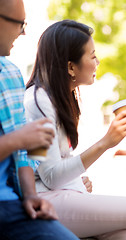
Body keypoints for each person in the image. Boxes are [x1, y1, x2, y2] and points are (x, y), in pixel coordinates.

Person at [24, 20, 126, 240]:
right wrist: (107, 142)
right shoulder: (37, 101)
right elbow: (51, 177)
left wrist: (77, 181)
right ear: (70, 66)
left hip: (65, 195)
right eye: (92, 56)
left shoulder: (57, 98)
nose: (98, 62)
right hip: (46, 202)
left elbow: (54, 164)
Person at [0, 0, 79, 239]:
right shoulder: (38, 98)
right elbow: (50, 172)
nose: (23, 32)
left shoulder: (10, 73)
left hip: (12, 205)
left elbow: (24, 155)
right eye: (19, 23)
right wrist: (18, 139)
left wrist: (31, 196)